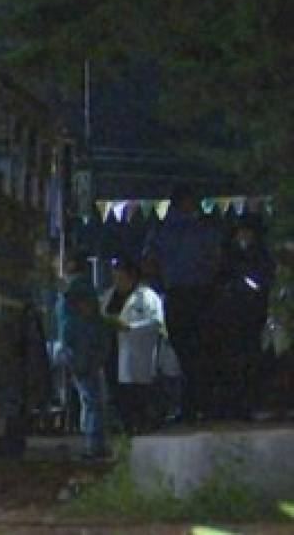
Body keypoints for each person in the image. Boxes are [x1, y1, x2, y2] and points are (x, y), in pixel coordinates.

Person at [143, 184, 222, 420]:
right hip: (198, 293)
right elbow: (216, 258)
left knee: (186, 352)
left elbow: (149, 262)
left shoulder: (161, 230)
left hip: (179, 293)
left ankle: (191, 404)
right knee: (198, 352)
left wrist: (160, 286)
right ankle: (199, 403)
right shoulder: (201, 229)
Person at [208, 215, 276, 419]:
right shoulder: (228, 256)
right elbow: (219, 278)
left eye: (247, 232)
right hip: (230, 315)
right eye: (240, 232)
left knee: (252, 357)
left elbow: (265, 277)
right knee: (231, 359)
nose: (243, 236)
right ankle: (233, 404)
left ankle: (252, 402)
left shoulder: (260, 255)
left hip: (253, 313)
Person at [101, 257, 166, 433]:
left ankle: (141, 424)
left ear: (132, 277)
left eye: (121, 278)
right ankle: (124, 425)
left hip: (138, 352)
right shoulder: (109, 296)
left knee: (137, 391)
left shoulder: (147, 296)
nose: (117, 282)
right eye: (114, 278)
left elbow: (156, 322)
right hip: (113, 350)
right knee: (116, 389)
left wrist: (130, 328)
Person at [57, 255, 113, 459]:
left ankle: (92, 442)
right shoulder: (84, 290)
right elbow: (92, 323)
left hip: (76, 350)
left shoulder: (69, 292)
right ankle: (94, 444)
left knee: (88, 399)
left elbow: (68, 326)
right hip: (86, 351)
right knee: (94, 400)